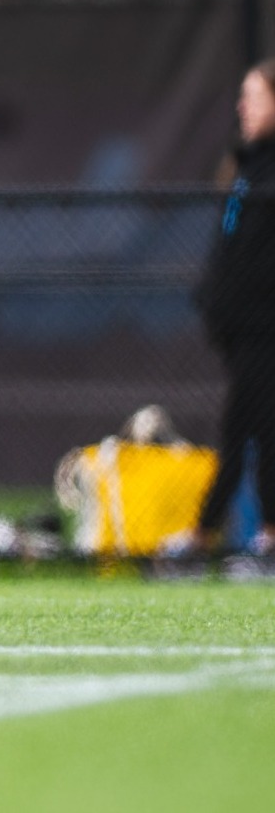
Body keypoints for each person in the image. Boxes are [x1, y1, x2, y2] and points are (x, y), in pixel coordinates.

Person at [194, 58, 275, 559]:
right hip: (241, 328)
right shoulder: (248, 165)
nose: (242, 107)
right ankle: (213, 532)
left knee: (256, 426)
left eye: (255, 96)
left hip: (265, 326)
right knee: (246, 426)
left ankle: (212, 532)